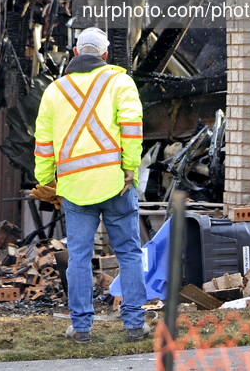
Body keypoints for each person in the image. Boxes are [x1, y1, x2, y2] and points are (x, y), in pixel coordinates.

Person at [33, 26, 149, 343]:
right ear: (106, 55)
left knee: (80, 258)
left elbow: (43, 144)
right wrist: (130, 170)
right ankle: (135, 325)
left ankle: (82, 329)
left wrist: (46, 183)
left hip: (74, 190)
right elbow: (132, 127)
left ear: (74, 53)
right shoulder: (120, 82)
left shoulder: (54, 92)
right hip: (117, 185)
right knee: (129, 253)